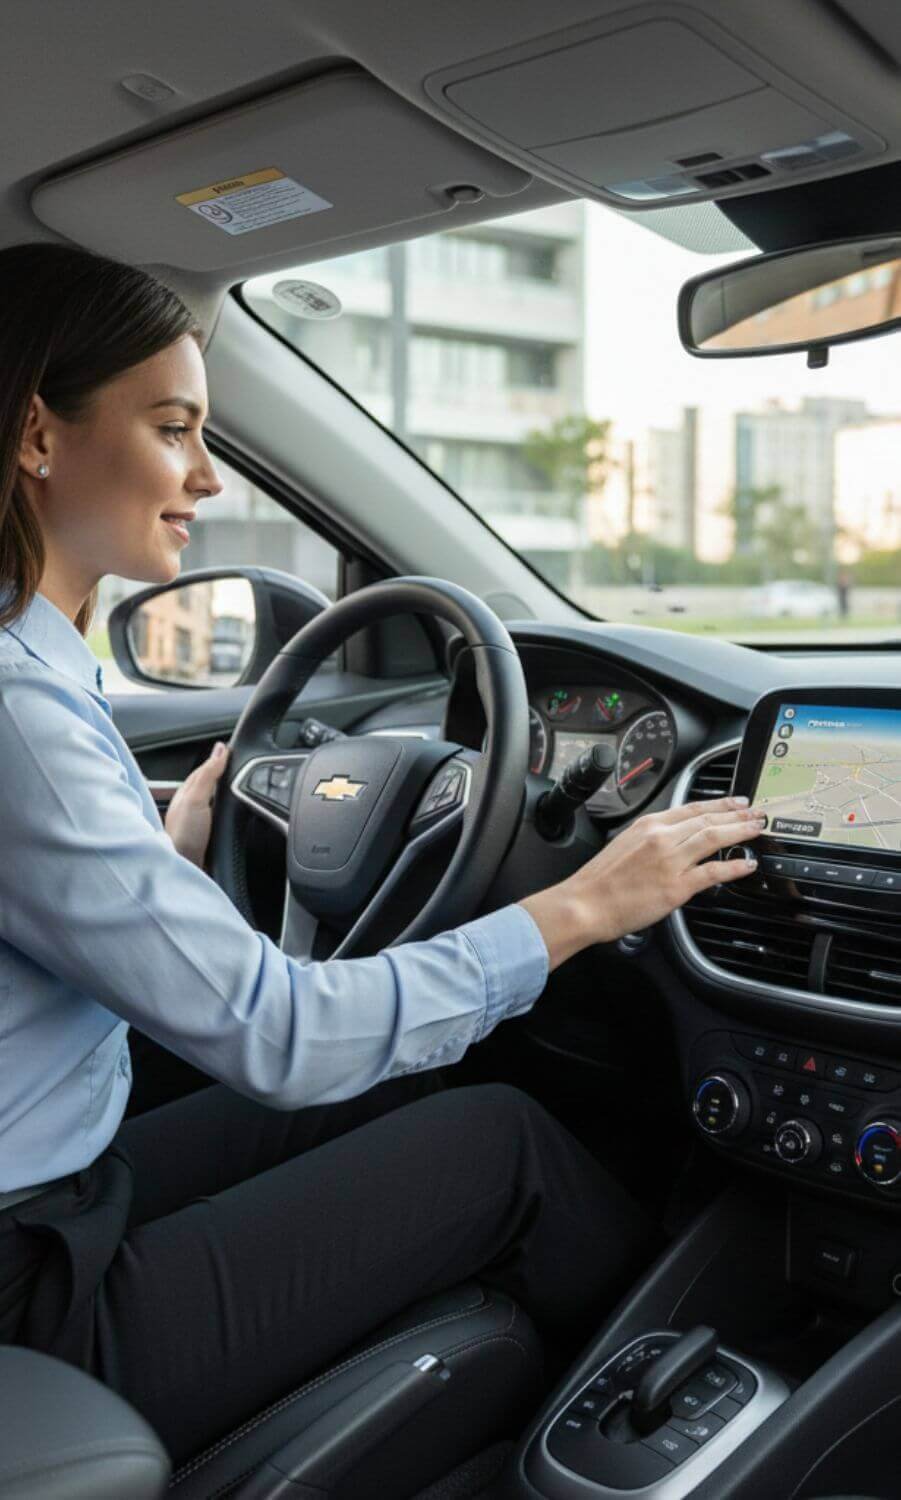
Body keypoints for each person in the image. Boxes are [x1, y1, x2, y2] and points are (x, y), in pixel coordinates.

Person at [0, 241, 766, 1470]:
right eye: (174, 427)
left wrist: (169, 849)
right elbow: (283, 1035)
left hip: (51, 1198)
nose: (205, 473)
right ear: (39, 433)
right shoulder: (21, 713)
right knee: (502, 1146)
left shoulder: (39, 678)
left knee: (400, 1087)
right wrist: (581, 906)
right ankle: (703, 1430)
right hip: (32, 1302)